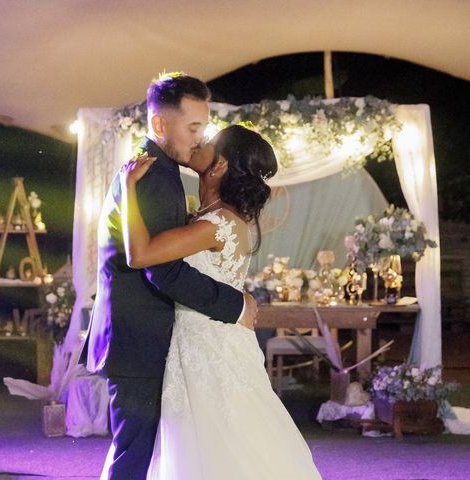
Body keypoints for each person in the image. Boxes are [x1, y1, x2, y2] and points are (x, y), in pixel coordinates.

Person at [78, 73, 258, 480]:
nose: (199, 138)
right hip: (139, 337)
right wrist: (235, 303)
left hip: (139, 335)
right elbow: (162, 268)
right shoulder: (154, 179)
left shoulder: (160, 172)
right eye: (193, 127)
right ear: (160, 125)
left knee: (144, 454)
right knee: (133, 457)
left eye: (203, 128)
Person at [120, 125, 323, 479]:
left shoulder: (217, 223)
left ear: (219, 167)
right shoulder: (217, 216)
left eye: (209, 144)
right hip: (211, 341)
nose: (198, 142)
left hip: (208, 347)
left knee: (216, 443)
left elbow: (140, 255)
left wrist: (127, 190)